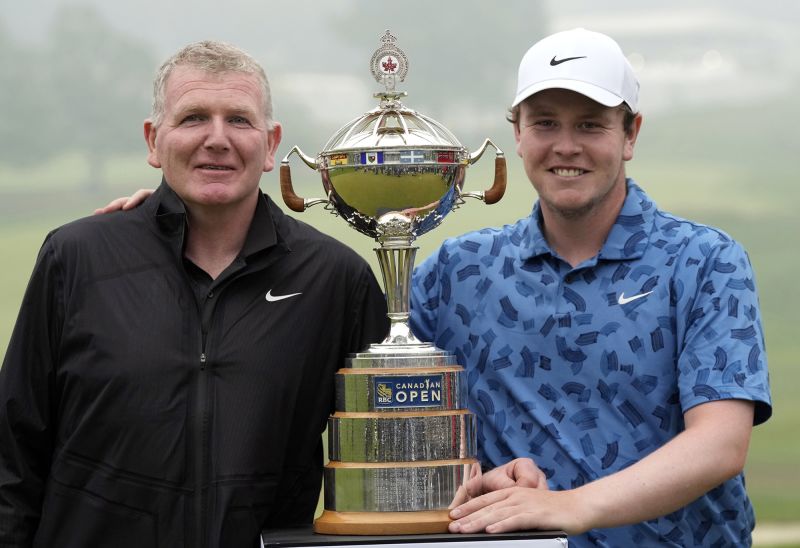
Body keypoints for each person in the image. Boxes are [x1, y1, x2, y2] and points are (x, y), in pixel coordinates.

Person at [0, 41, 388, 547]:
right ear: (153, 139)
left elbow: (382, 467)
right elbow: (13, 454)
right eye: (193, 118)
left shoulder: (335, 279)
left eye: (240, 121)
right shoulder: (76, 259)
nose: (217, 139)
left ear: (271, 145)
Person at [409, 28, 771, 546]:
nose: (566, 145)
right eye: (545, 123)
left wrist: (570, 507)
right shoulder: (456, 271)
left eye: (590, 125)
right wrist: (471, 478)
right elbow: (403, 429)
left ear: (630, 135)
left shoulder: (705, 261)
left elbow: (719, 444)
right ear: (517, 133)